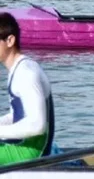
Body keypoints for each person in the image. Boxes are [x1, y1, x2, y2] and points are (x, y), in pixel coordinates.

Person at [0, 12, 55, 166]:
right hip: (21, 147)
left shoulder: (26, 73)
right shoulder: (18, 69)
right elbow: (19, 116)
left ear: (10, 40)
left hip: (31, 155)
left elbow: (37, 125)